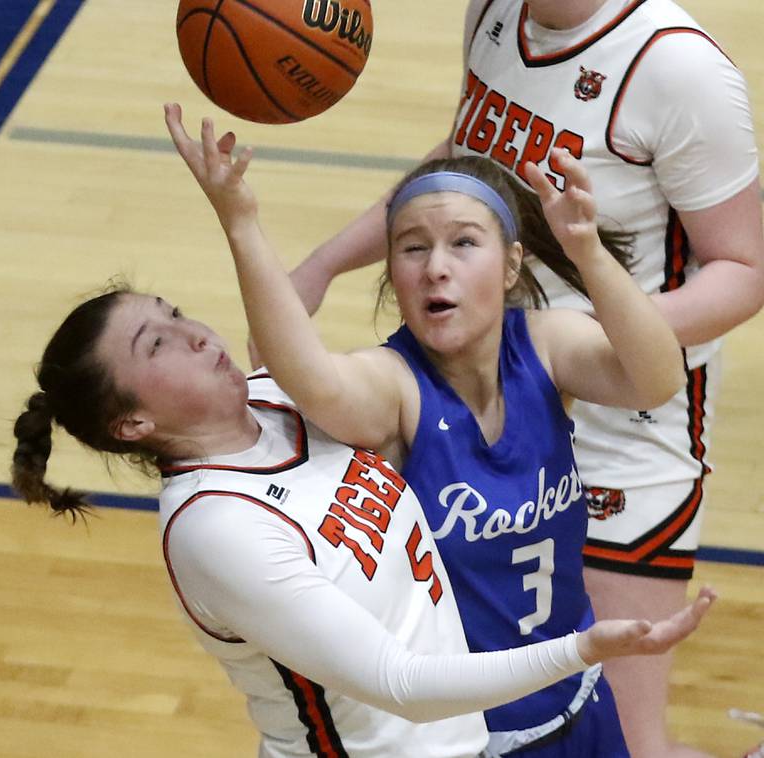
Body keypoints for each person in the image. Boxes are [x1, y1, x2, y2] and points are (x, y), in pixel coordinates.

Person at [273, 2, 764, 755]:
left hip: (630, 431)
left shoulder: (677, 66)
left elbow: (746, 268)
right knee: (493, 707)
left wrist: (603, 345)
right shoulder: (494, 10)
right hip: (498, 411)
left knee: (626, 735)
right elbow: (464, 168)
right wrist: (327, 262)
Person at [163, 100, 716, 756]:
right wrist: (242, 222)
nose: (436, 266)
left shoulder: (546, 345)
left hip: (578, 697)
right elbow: (307, 374)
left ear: (511, 266)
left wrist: (587, 253)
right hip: (472, 736)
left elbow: (656, 378)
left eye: (463, 243)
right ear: (394, 277)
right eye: (412, 248)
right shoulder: (395, 386)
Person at [9, 285, 716, 757]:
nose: (190, 333)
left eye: (171, 312)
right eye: (155, 345)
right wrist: (581, 649)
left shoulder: (283, 400)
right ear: (132, 422)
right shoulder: (214, 527)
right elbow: (398, 681)